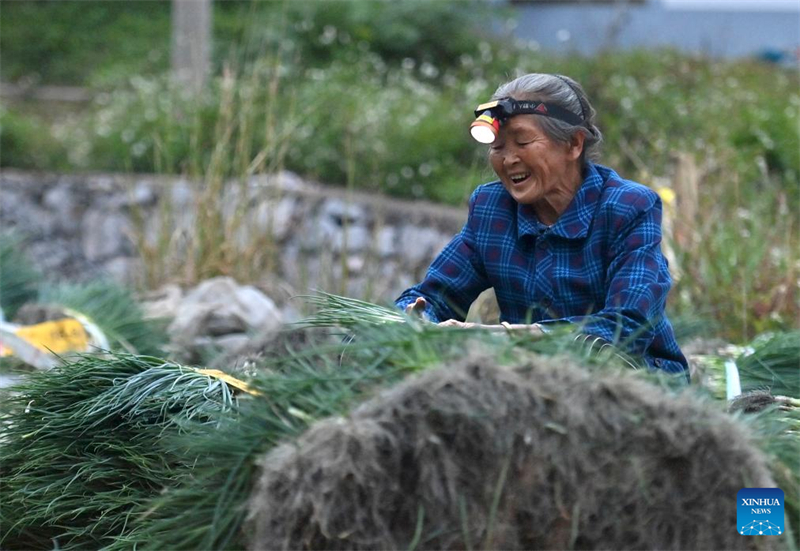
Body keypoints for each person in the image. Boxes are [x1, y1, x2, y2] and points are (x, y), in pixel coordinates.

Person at [395, 73, 688, 377]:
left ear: (574, 144)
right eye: (497, 147)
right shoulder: (491, 209)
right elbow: (435, 295)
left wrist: (500, 337)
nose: (508, 159)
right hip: (528, 380)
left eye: (522, 142)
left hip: (635, 383)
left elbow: (625, 330)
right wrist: (412, 318)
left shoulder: (628, 208)